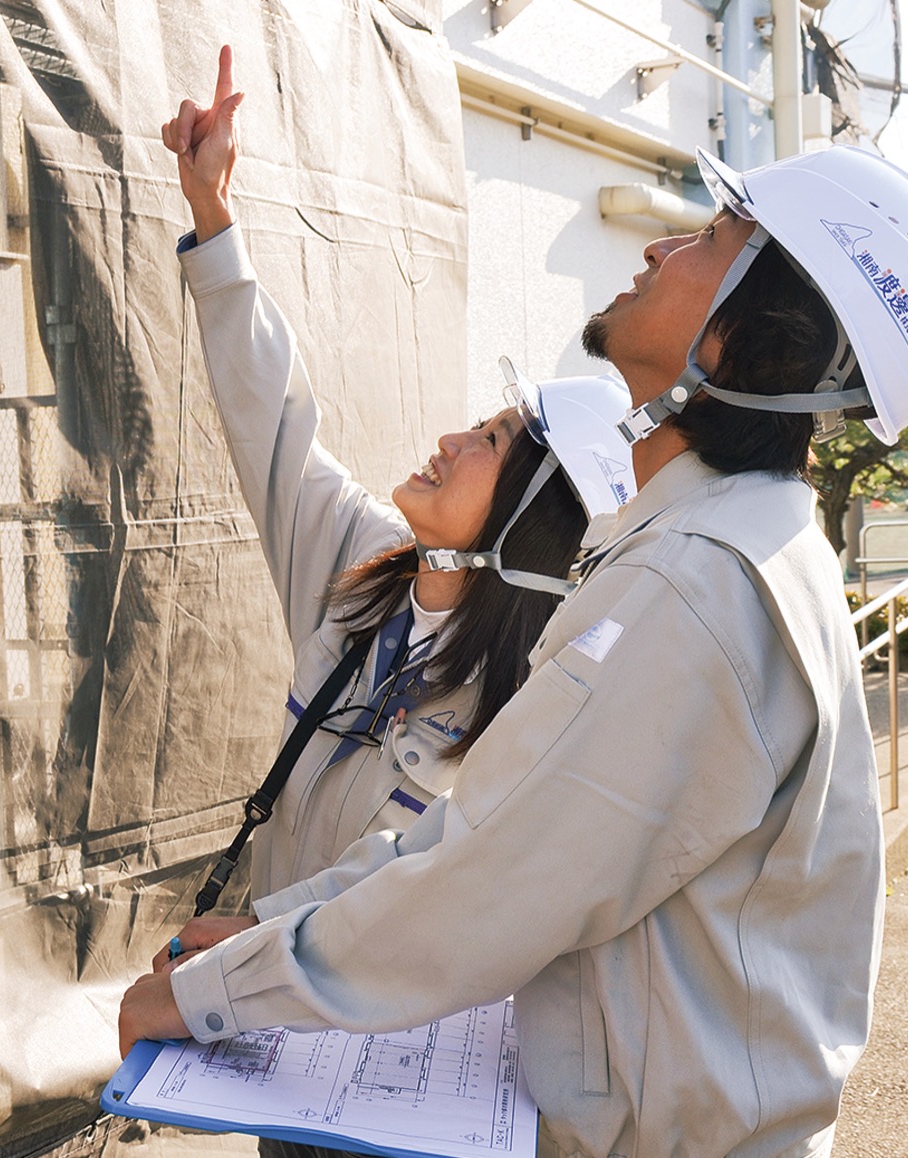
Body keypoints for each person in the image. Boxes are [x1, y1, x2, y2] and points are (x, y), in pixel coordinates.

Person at [123, 81, 908, 1155]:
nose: (658, 248)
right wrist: (264, 931)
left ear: (743, 340)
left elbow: (479, 883)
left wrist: (220, 993)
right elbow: (476, 838)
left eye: (714, 235)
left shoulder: (694, 587)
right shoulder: (695, 561)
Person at [163, 46, 634, 901]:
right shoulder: (362, 573)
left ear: (528, 521)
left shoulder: (525, 715)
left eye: (489, 443)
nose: (451, 439)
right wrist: (213, 213)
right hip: (260, 995)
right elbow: (272, 420)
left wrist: (255, 948)